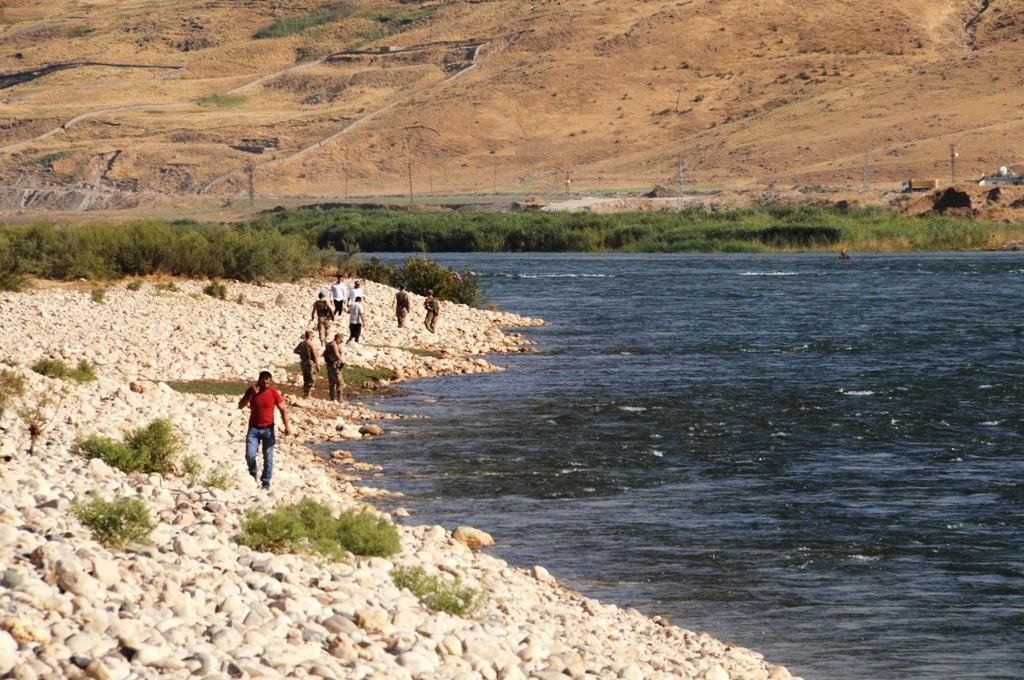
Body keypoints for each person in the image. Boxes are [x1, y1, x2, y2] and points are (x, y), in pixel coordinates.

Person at [238, 371, 291, 491]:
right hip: (253, 430)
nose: (265, 385)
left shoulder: (274, 393)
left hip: (268, 429)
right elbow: (240, 405)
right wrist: (250, 395)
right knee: (250, 455)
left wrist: (286, 426)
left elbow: (282, 409)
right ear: (259, 381)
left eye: (268, 383)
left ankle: (266, 482)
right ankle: (252, 473)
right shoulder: (252, 391)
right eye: (263, 382)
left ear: (271, 382)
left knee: (268, 457)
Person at [293, 330, 320, 398]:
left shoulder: (302, 343)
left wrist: (302, 354)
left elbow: (295, 351)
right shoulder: (310, 344)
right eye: (313, 336)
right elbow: (315, 355)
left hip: (303, 362)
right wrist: (318, 365)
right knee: (311, 379)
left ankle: (305, 394)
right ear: (310, 336)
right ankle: (308, 394)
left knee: (306, 378)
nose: (313, 337)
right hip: (309, 363)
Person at [324, 333, 345, 402]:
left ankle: (331, 398)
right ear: (338, 338)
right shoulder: (334, 344)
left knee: (332, 383)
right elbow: (336, 354)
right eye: (341, 340)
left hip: (329, 365)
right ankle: (340, 399)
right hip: (334, 365)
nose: (342, 341)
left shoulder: (329, 344)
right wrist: (342, 361)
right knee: (340, 382)